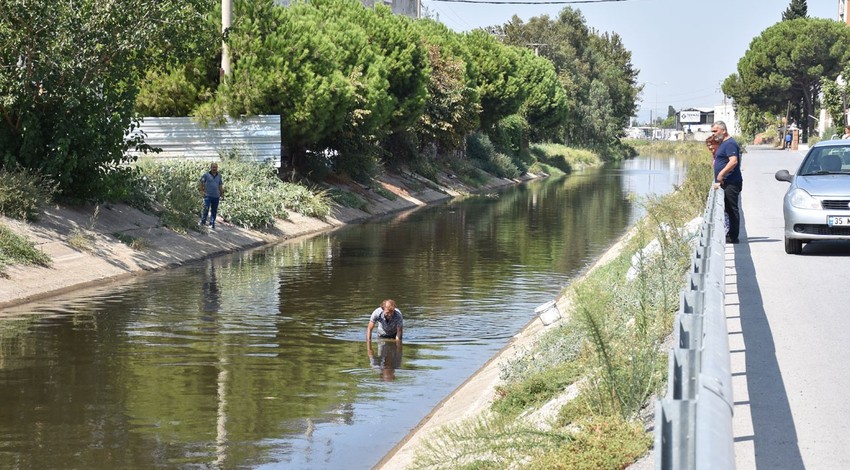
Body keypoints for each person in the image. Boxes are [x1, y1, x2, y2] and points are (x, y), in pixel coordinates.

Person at [711, 121, 742, 244]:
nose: (713, 134)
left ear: (723, 130)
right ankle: (729, 233)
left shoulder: (730, 144)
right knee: (727, 209)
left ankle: (733, 236)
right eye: (712, 131)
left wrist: (721, 174)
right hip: (725, 182)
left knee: (731, 209)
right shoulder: (723, 143)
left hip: (731, 182)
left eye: (715, 131)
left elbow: (733, 161)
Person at [199, 162, 224, 229]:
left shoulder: (219, 176)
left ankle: (212, 224)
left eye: (215, 167)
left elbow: (220, 185)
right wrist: (202, 191)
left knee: (214, 211)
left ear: (217, 168)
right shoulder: (206, 175)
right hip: (208, 195)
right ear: (211, 168)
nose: (214, 168)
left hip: (216, 196)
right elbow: (201, 182)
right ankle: (203, 222)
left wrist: (222, 194)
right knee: (206, 209)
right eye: (213, 167)